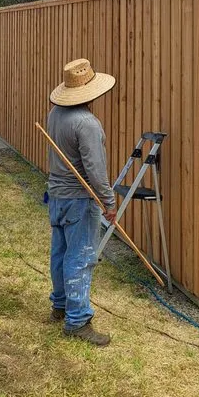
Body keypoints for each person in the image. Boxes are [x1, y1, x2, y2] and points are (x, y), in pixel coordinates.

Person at [45, 58, 118, 346]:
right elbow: (96, 170)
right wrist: (108, 202)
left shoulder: (55, 114)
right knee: (81, 257)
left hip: (57, 196)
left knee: (61, 253)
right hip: (78, 199)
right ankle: (77, 321)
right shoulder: (86, 123)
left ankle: (60, 305)